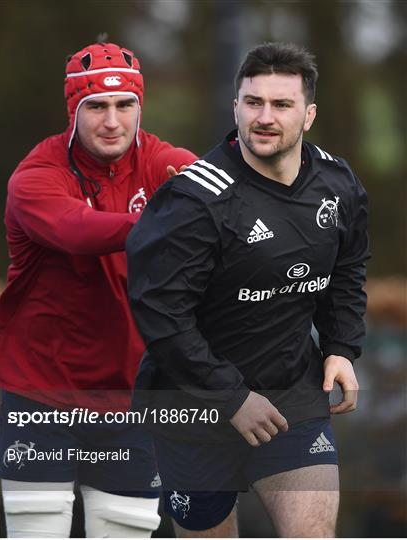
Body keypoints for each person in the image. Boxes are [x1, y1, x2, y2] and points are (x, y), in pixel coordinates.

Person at [126, 42, 369, 537]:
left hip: (291, 396)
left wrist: (341, 347)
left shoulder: (337, 185)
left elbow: (347, 266)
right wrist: (232, 397)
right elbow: (162, 315)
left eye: (282, 105)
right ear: (235, 106)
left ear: (309, 115)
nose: (265, 116)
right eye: (253, 102)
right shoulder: (194, 201)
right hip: (193, 407)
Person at [0, 41, 196, 538]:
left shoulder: (163, 162)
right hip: (40, 391)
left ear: (139, 109)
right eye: (97, 107)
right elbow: (75, 230)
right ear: (74, 111)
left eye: (125, 105)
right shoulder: (36, 175)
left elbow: (219, 196)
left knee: (126, 529)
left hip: (130, 394)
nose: (112, 121)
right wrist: (163, 219)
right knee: (37, 529)